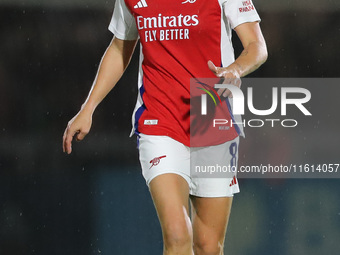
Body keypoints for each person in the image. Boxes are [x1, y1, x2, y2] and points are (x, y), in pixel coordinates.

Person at [63, 0, 267, 254]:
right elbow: (120, 47)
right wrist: (88, 107)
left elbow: (257, 46)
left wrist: (236, 69)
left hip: (212, 117)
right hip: (159, 121)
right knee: (177, 233)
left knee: (208, 246)